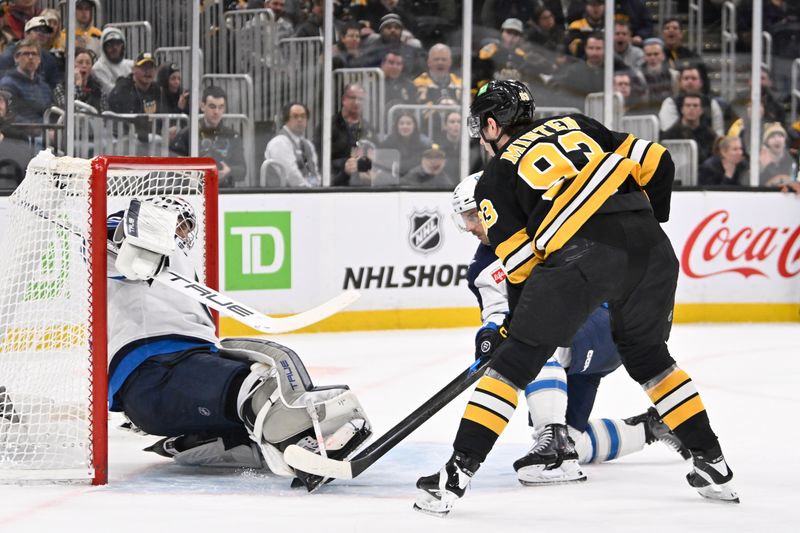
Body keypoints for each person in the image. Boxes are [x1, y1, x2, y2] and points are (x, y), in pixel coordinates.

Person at [414, 80, 738, 516]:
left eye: (481, 127)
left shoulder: (495, 178)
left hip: (581, 259)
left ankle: (453, 477)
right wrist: (645, 222)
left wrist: (520, 327)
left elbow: (524, 266)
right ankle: (714, 463)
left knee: (511, 368)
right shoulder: (577, 123)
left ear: (492, 125)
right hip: (653, 252)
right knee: (652, 361)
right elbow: (659, 161)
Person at [104, 196, 371, 489]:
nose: (183, 233)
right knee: (255, 387)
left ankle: (236, 443)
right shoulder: (124, 253)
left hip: (184, 368)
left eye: (187, 227)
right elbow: (103, 244)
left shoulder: (179, 267)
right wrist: (127, 243)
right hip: (154, 374)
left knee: (279, 369)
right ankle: (295, 439)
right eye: (178, 224)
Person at [451, 172, 689, 484]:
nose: (469, 228)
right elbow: (496, 313)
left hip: (601, 324)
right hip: (576, 353)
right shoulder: (482, 268)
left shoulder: (545, 226)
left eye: (473, 216)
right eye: (463, 219)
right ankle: (652, 427)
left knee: (533, 340)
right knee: (579, 445)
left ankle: (553, 437)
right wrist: (488, 336)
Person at [171, 86, 246, 188]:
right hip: (192, 193)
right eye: (212, 106)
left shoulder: (233, 135)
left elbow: (242, 170)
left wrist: (229, 171)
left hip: (225, 192)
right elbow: (171, 168)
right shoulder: (187, 134)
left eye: (221, 107)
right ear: (202, 106)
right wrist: (190, 171)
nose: (216, 112)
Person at [322, 83, 376, 186]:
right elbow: (320, 159)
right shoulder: (328, 126)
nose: (356, 102)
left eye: (360, 99)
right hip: (335, 184)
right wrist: (344, 165)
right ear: (344, 99)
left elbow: (375, 155)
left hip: (363, 185)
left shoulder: (368, 128)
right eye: (352, 98)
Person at [263, 102, 321, 187]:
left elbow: (314, 172)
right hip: (282, 196)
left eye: (303, 116)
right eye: (295, 116)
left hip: (307, 193)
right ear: (286, 120)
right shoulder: (279, 143)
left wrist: (317, 186)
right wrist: (312, 190)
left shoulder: (308, 145)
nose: (300, 120)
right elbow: (292, 176)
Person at [0, 15, 61, 88]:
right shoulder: (10, 53)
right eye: (37, 30)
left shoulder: (49, 58)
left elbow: (54, 85)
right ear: (26, 33)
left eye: (46, 31)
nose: (42, 34)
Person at [0, 38, 51, 125]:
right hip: (21, 134)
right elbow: (11, 116)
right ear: (16, 58)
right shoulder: (7, 84)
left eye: (34, 54)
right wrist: (39, 129)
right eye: (26, 54)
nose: (31, 57)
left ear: (39, 60)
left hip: (45, 131)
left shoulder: (44, 86)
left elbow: (50, 111)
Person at [661, 93, 719, 165]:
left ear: (701, 110)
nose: (691, 108)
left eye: (695, 105)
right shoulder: (670, 135)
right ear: (682, 110)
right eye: (688, 105)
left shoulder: (710, 134)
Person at [380, 110, 430, 177]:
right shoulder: (387, 144)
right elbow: (386, 165)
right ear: (397, 126)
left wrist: (399, 165)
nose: (405, 126)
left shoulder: (423, 145)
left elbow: (423, 165)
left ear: (414, 126)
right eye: (401, 123)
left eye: (408, 123)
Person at [53, 47, 103, 112]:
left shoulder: (98, 89)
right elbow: (68, 110)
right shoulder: (61, 88)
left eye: (88, 63)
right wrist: (77, 85)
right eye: (80, 62)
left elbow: (103, 114)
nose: (84, 66)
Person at [92, 26, 133, 95]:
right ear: (103, 47)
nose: (115, 48)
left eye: (118, 44)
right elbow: (111, 92)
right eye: (110, 44)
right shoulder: (98, 68)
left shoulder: (131, 65)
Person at [759, 122, 794, 186]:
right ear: (766, 142)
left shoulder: (793, 158)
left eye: (780, 136)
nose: (777, 140)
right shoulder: (760, 160)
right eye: (772, 137)